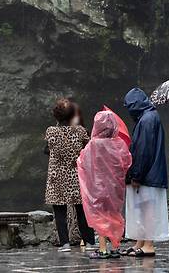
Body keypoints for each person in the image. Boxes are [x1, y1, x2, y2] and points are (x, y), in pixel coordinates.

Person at [77, 111, 132, 259]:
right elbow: (126, 162)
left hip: (98, 187)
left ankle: (103, 249)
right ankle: (115, 247)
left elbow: (82, 162)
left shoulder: (93, 145)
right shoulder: (119, 143)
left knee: (100, 215)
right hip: (115, 187)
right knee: (114, 213)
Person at [122, 88, 169, 256]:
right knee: (142, 208)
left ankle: (148, 245)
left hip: (148, 176)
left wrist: (136, 175)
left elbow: (143, 151)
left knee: (148, 209)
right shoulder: (149, 117)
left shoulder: (147, 120)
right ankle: (140, 242)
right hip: (151, 174)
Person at [45, 98, 96, 252]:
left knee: (59, 210)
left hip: (57, 175)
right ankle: (89, 242)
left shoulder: (51, 131)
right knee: (81, 209)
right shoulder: (80, 131)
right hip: (76, 173)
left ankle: (65, 244)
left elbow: (48, 148)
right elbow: (88, 147)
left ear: (56, 115)